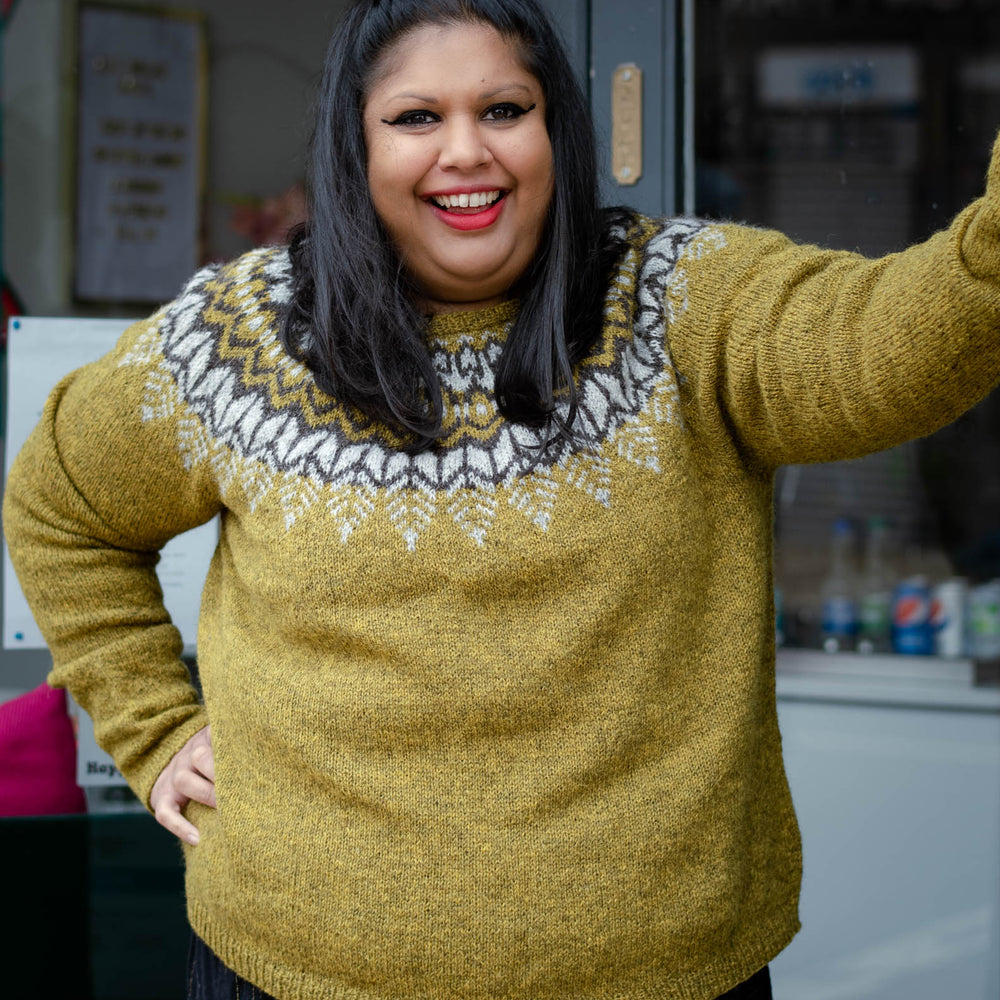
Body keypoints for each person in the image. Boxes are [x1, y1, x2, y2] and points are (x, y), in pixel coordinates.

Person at [5, 0, 1000, 997]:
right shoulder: (236, 336)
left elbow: (900, 341)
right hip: (290, 973)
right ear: (353, 145)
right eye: (415, 118)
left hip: (667, 977)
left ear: (556, 129)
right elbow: (60, 509)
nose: (466, 152)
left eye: (504, 108)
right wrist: (153, 724)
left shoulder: (685, 303)